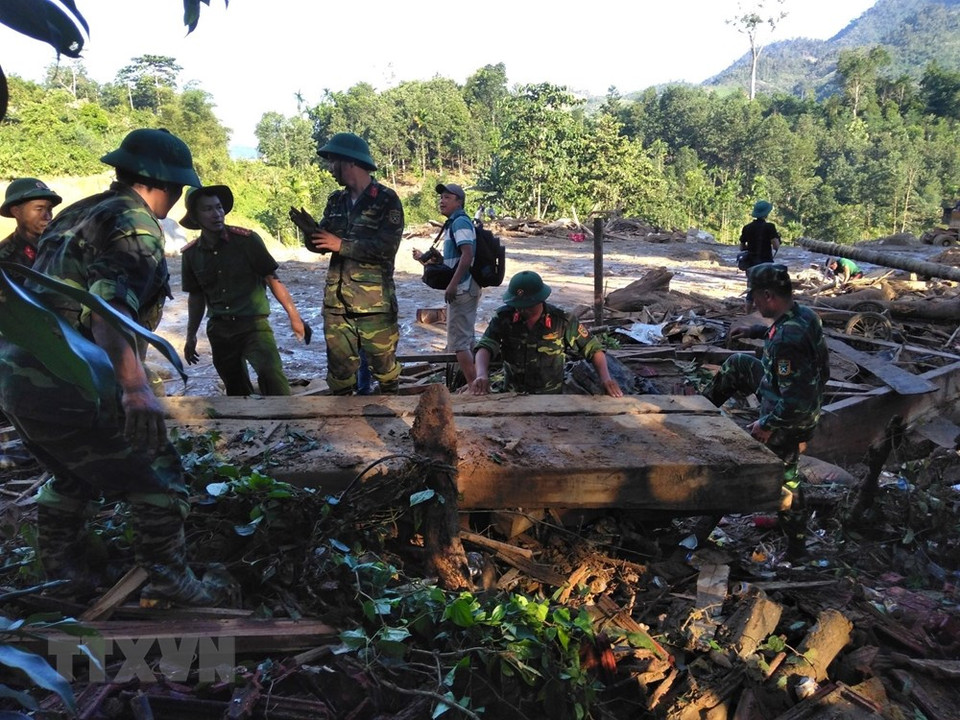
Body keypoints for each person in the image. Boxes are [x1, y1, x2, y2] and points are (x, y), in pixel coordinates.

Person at [0, 128, 232, 606]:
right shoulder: (136, 226)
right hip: (74, 380)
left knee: (73, 476)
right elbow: (108, 309)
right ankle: (170, 580)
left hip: (19, 378)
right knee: (162, 479)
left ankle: (66, 572)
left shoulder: (77, 212)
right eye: (180, 187)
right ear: (161, 182)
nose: (179, 196)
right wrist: (135, 389)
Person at [702, 263, 830, 556]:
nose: (753, 303)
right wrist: (756, 330)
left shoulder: (787, 342)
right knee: (738, 364)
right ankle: (700, 411)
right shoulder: (803, 316)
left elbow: (796, 401)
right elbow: (818, 368)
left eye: (755, 298)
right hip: (788, 394)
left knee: (786, 480)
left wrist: (767, 424)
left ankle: (797, 549)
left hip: (790, 415)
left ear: (769, 295)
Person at [181, 185, 307, 396]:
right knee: (236, 388)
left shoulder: (247, 241)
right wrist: (191, 335)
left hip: (254, 326)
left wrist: (294, 316)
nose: (216, 214)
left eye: (219, 207)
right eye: (208, 209)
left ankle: (288, 424)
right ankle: (249, 429)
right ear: (195, 217)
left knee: (272, 378)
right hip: (220, 331)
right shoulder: (191, 254)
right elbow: (196, 298)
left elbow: (272, 278)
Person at [309, 132, 404, 395]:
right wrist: (311, 234)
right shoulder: (335, 200)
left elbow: (386, 249)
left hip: (373, 304)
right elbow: (322, 241)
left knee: (385, 372)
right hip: (336, 304)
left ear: (349, 162)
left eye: (333, 161)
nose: (330, 169)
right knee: (339, 375)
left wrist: (341, 245)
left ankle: (392, 426)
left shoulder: (386, 199)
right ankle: (344, 430)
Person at [471, 270, 623, 397]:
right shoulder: (504, 317)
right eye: (518, 306)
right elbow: (486, 345)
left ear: (540, 300)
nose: (522, 310)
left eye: (528, 306)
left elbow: (593, 349)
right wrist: (481, 374)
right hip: (512, 396)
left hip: (550, 398)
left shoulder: (562, 321)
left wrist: (606, 379)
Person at [413, 183, 481, 386]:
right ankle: (475, 382)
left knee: (459, 343)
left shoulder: (460, 223)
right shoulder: (453, 224)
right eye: (441, 197)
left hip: (462, 288)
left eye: (447, 197)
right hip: (464, 287)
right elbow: (455, 260)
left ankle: (474, 388)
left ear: (459, 202)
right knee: (466, 339)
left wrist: (452, 285)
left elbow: (468, 255)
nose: (442, 201)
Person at [0, 178, 62, 275]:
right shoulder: (4, 257)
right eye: (39, 209)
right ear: (16, 212)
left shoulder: (63, 245)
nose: (48, 216)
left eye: (49, 209)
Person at [739, 200, 781, 270]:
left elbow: (741, 248)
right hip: (766, 263)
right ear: (766, 214)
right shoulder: (770, 226)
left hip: (750, 264)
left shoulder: (747, 227)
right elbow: (776, 246)